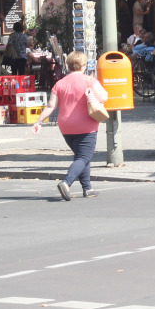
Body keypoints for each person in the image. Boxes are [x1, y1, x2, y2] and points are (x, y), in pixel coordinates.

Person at [32, 50, 109, 200]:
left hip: (66, 126)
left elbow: (50, 106)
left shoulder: (59, 83)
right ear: (83, 65)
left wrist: (38, 122)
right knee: (83, 157)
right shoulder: (89, 81)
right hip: (86, 125)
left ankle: (88, 188)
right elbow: (104, 96)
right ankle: (66, 183)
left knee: (81, 156)